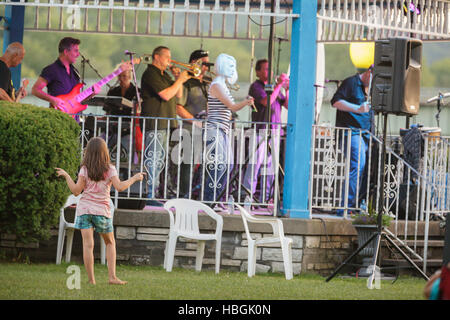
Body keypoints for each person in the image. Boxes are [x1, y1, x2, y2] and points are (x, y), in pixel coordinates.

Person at [55, 137, 145, 285]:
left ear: (88, 152)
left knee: (88, 246)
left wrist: (66, 176)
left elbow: (76, 191)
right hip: (101, 211)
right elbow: (120, 187)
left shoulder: (84, 169)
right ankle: (112, 277)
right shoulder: (109, 169)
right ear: (105, 152)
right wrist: (135, 178)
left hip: (84, 210)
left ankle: (91, 280)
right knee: (110, 243)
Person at [140, 46, 190, 203]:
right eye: (167, 57)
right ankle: (149, 195)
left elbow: (178, 95)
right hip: (155, 122)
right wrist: (180, 80)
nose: (170, 60)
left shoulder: (164, 75)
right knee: (153, 158)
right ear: (157, 57)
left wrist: (177, 79)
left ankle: (153, 193)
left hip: (165, 122)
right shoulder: (150, 73)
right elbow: (166, 95)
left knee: (160, 159)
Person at [203, 53, 254, 204]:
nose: (233, 70)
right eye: (230, 66)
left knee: (227, 164)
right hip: (215, 129)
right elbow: (232, 107)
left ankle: (216, 198)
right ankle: (210, 199)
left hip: (222, 129)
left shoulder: (221, 85)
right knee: (218, 165)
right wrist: (246, 102)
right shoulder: (217, 85)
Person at [243, 59, 289, 204]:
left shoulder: (273, 87)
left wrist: (286, 90)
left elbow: (287, 105)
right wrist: (279, 85)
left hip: (275, 131)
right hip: (260, 131)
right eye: (266, 69)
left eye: (270, 69)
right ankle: (247, 197)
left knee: (271, 167)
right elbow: (266, 102)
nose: (269, 72)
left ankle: (266, 197)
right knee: (255, 164)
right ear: (258, 72)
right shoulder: (256, 87)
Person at [330, 66, 373, 216]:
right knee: (358, 164)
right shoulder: (351, 82)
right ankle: (345, 206)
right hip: (350, 131)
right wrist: (357, 108)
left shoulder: (373, 88)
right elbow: (335, 101)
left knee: (367, 168)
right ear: (368, 72)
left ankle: (358, 203)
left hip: (366, 133)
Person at [32, 37, 100, 112]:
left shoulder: (75, 72)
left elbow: (76, 100)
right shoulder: (51, 70)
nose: (78, 55)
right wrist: (53, 100)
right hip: (57, 117)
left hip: (73, 119)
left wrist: (91, 94)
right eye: (76, 51)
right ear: (66, 52)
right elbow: (35, 90)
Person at [176, 49, 210, 197]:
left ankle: (201, 194)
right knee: (188, 164)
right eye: (203, 63)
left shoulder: (208, 83)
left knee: (206, 164)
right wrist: (195, 122)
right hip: (190, 129)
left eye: (208, 64)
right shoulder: (186, 82)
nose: (206, 67)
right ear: (194, 63)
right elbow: (178, 107)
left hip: (207, 130)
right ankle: (184, 195)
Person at [104, 69, 141, 162]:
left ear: (130, 77)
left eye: (124, 76)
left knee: (131, 150)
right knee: (100, 143)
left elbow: (139, 111)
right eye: (120, 76)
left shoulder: (137, 92)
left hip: (128, 130)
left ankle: (132, 172)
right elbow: (106, 111)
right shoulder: (112, 91)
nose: (121, 79)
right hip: (112, 129)